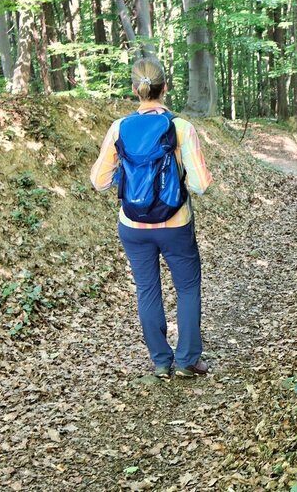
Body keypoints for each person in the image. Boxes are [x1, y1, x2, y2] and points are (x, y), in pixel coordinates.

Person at [90, 57, 213, 378]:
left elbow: (99, 181)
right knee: (187, 288)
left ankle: (160, 361)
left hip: (133, 225)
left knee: (147, 289)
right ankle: (187, 361)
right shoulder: (181, 128)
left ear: (135, 90)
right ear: (165, 88)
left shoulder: (119, 128)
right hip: (175, 223)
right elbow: (200, 185)